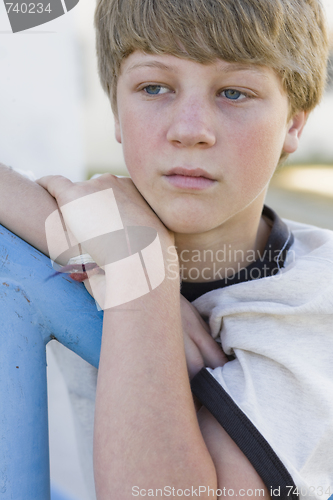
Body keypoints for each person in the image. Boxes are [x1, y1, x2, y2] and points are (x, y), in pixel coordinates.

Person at [0, 0, 333, 498]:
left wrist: (142, 278)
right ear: (116, 109)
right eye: (154, 88)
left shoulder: (313, 296)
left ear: (294, 125)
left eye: (234, 92)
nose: (189, 130)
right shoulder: (106, 220)